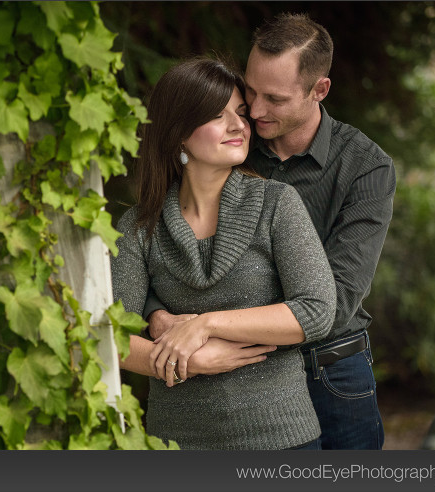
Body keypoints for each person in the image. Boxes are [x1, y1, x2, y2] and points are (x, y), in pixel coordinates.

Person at [143, 13, 395, 450]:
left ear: (320, 90)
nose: (255, 111)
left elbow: (329, 306)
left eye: (274, 99)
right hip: (241, 383)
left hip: (331, 370)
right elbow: (164, 245)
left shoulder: (366, 168)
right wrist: (157, 313)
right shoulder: (228, 144)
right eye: (251, 92)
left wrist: (205, 329)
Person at [112, 56, 336, 450]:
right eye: (218, 115)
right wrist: (189, 364)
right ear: (179, 133)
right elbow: (110, 337)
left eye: (241, 113)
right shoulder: (138, 227)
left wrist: (205, 325)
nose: (238, 126)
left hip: (281, 440)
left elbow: (316, 311)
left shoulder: (277, 203)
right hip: (176, 444)